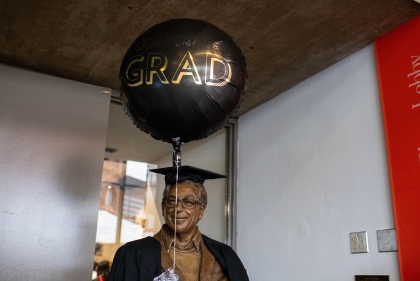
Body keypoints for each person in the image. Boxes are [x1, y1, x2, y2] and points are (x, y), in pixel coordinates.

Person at [109, 165, 249, 281]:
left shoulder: (224, 256)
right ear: (163, 207)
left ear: (201, 210)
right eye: (171, 201)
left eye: (188, 202)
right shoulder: (132, 255)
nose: (178, 209)